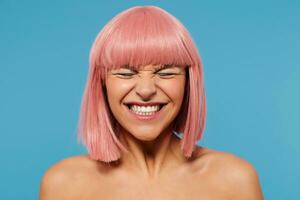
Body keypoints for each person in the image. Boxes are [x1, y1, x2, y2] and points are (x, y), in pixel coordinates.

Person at [39, 6, 264, 200]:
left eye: (166, 73)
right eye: (126, 73)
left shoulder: (235, 181)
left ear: (188, 82)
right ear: (102, 82)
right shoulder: (63, 185)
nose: (146, 90)